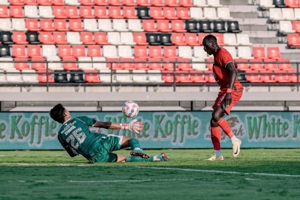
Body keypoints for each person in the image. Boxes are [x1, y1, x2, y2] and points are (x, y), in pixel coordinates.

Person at [49, 104, 169, 163]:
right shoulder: (78, 120)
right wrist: (126, 126)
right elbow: (104, 125)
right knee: (132, 140)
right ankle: (137, 150)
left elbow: (73, 154)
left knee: (126, 159)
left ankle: (157, 158)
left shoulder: (60, 136)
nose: (68, 110)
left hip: (95, 156)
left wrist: (83, 148)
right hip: (102, 142)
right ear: (65, 114)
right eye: (66, 109)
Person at [202, 35, 243, 161]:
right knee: (214, 121)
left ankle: (235, 140)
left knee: (216, 116)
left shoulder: (223, 54)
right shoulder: (216, 56)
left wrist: (229, 91)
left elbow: (233, 71)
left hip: (232, 89)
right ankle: (218, 154)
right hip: (225, 90)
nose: (204, 49)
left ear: (213, 44)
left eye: (206, 46)